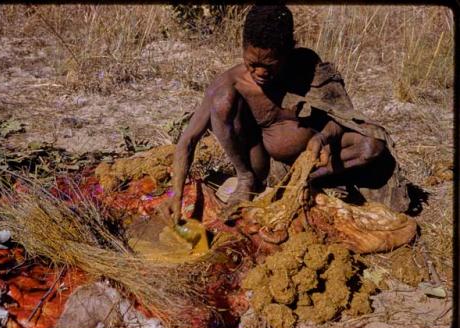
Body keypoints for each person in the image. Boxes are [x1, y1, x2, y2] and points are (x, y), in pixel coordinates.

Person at [162, 5, 409, 225]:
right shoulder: (231, 83)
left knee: (372, 146)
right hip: (264, 165)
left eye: (269, 65)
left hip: (318, 162)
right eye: (251, 63)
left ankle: (302, 183)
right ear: (243, 48)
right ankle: (247, 180)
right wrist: (175, 195)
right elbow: (187, 141)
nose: (260, 72)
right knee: (222, 101)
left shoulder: (307, 64)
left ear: (289, 51)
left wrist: (321, 139)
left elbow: (342, 116)